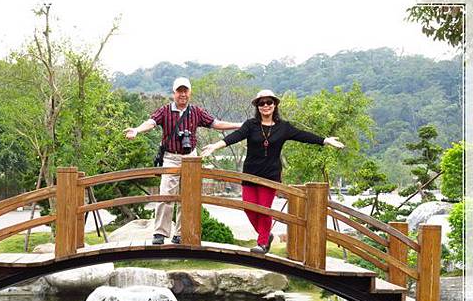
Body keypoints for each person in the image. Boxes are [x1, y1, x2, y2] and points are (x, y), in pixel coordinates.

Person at [201, 89, 345, 254]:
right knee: (249, 208)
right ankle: (267, 235)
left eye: (269, 102)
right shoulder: (251, 125)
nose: (265, 106)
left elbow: (303, 135)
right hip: (250, 174)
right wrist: (215, 146)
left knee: (264, 209)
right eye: (261, 103)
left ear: (275, 104)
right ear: (258, 107)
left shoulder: (283, 127)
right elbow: (234, 137)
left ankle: (262, 243)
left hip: (270, 176)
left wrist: (325, 140)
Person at [124, 77, 242, 245]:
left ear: (190, 92)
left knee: (188, 196)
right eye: (179, 91)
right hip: (171, 157)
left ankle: (180, 233)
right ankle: (160, 233)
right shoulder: (165, 110)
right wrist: (137, 130)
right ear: (174, 93)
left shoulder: (196, 112)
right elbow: (151, 122)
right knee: (166, 195)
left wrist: (239, 125)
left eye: (185, 91)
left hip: (190, 157)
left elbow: (216, 123)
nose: (183, 94)